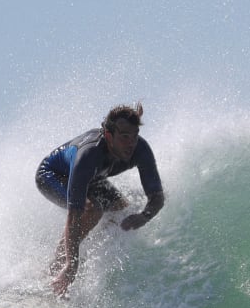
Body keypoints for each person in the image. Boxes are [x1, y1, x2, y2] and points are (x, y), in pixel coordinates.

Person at [35, 103, 164, 295]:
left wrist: (144, 216)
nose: (131, 143)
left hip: (92, 178)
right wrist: (71, 264)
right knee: (93, 209)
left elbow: (157, 197)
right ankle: (58, 269)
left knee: (121, 209)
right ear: (109, 136)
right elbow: (74, 214)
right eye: (125, 137)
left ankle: (84, 253)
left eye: (134, 135)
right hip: (52, 175)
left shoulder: (140, 150)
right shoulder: (89, 155)